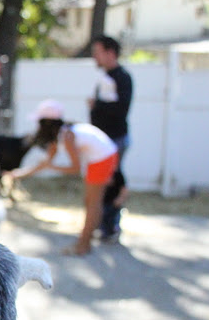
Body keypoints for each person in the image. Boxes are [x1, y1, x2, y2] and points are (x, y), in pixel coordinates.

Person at [8, 99, 118, 256]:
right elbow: (45, 163)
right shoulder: (58, 136)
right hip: (100, 157)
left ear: (46, 123)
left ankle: (83, 245)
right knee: (91, 202)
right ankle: (86, 242)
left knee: (93, 203)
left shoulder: (67, 136)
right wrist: (17, 174)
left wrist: (52, 167)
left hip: (102, 158)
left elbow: (74, 169)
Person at [88, 35, 133, 240]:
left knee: (112, 182)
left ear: (110, 53)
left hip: (115, 139)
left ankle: (111, 227)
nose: (94, 57)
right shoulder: (104, 78)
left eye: (97, 52)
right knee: (103, 183)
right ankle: (103, 225)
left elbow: (121, 108)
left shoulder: (122, 77)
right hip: (103, 139)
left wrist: (97, 106)